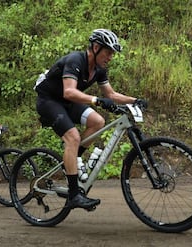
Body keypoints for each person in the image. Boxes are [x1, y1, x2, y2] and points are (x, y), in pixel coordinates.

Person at [35, 29, 147, 209]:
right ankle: (73, 195)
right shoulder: (75, 60)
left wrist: (135, 100)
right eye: (108, 52)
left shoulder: (99, 69)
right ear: (96, 47)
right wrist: (96, 100)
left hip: (67, 102)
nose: (110, 57)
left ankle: (71, 162)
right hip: (49, 101)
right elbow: (69, 91)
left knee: (98, 121)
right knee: (73, 137)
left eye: (112, 54)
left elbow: (110, 94)